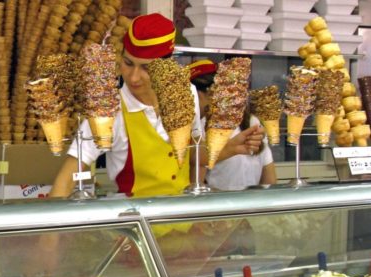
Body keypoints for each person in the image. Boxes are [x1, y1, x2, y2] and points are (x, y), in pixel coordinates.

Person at [49, 13, 265, 199]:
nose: (134, 77)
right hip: (136, 225)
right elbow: (67, 177)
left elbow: (191, 156)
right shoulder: (108, 110)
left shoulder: (186, 94)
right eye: (128, 63)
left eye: (146, 68)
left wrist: (230, 148)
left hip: (180, 222)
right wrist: (50, 232)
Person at [187, 59, 277, 190]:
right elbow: (197, 180)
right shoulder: (199, 126)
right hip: (224, 200)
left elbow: (268, 174)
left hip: (246, 200)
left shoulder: (251, 121)